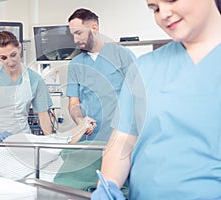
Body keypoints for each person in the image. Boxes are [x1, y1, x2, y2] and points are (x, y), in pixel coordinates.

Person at [92, 0, 221, 199]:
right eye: (155, 8)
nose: (163, 14)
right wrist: (107, 185)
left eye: (171, 0)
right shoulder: (144, 68)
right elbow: (123, 141)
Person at [66, 8, 136, 141]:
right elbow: (74, 103)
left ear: (94, 27)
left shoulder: (122, 55)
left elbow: (139, 95)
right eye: (72, 35)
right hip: (90, 139)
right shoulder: (75, 64)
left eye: (79, 33)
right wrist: (80, 121)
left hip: (121, 137)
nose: (75, 39)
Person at [0, 117, 92, 179]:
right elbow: (57, 144)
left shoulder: (1, 173)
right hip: (75, 170)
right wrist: (83, 125)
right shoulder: (9, 148)